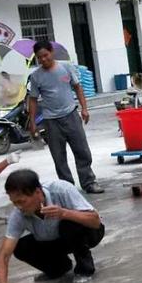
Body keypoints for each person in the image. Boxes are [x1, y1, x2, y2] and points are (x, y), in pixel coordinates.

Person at [0, 169, 105, 283]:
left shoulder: (61, 190)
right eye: (14, 202)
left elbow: (95, 222)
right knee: (20, 247)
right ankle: (59, 269)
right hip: (54, 240)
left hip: (88, 232)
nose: (19, 207)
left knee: (68, 224)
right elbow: (3, 256)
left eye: (22, 201)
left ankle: (85, 269)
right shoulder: (18, 215)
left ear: (38, 192)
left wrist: (64, 213)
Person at [28, 40, 104, 194]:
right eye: (39, 57)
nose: (43, 59)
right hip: (51, 121)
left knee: (82, 151)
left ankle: (89, 182)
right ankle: (67, 188)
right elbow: (33, 99)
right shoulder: (35, 76)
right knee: (59, 157)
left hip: (71, 115)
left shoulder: (66, 67)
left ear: (52, 52)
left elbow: (77, 88)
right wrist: (33, 123)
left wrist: (84, 109)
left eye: (45, 55)